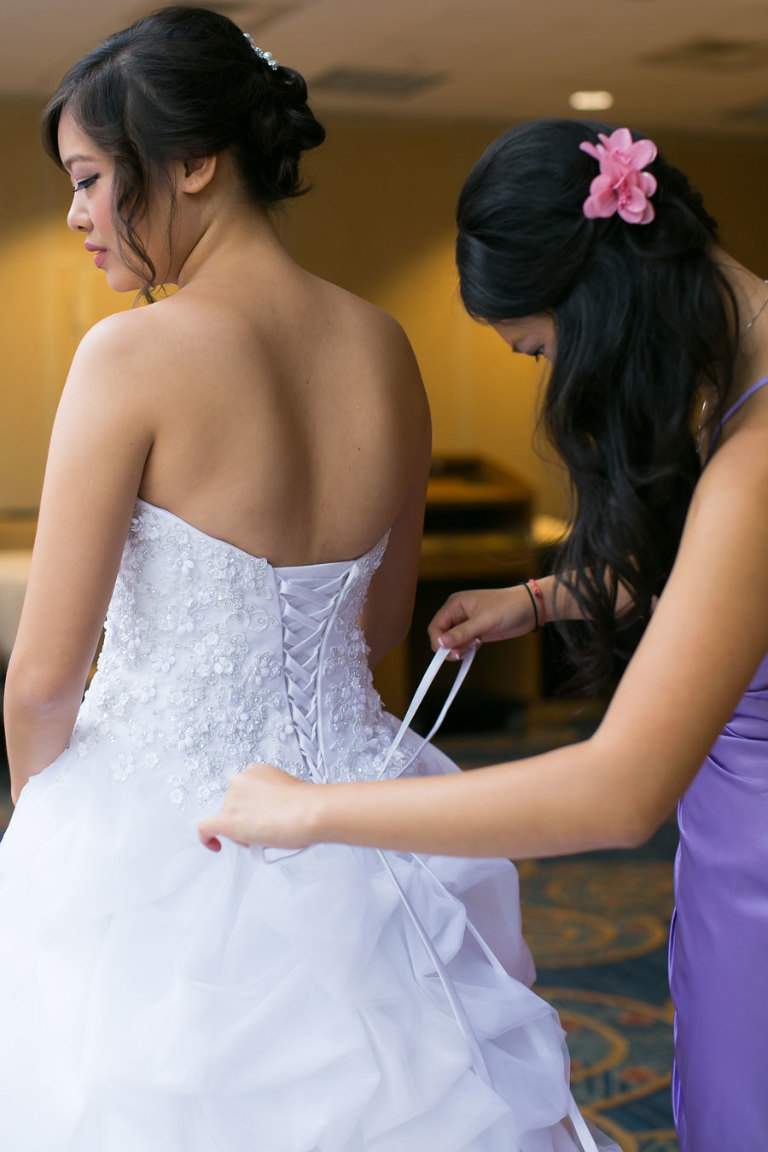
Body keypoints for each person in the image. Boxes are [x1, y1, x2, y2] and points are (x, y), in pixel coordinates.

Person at [0, 11, 615, 1151]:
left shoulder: (128, 354)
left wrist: (50, 840)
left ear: (194, 161)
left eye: (87, 180)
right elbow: (379, 625)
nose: (77, 214)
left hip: (161, 832)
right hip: (363, 817)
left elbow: (42, 680)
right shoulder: (384, 346)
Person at [199, 120, 768, 1152]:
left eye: (540, 351)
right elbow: (731, 589)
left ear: (600, 307)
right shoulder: (745, 386)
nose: (553, 383)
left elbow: (617, 792)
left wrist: (314, 809)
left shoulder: (756, 458)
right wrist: (545, 598)